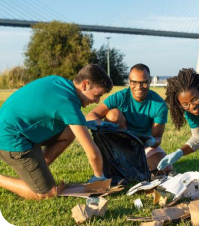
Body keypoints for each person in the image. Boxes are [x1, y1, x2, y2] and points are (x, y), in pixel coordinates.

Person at [0, 64, 113, 200]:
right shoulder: (67, 102)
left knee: (70, 132)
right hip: (11, 138)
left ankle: (37, 172)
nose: (97, 101)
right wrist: (99, 178)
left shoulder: (59, 82)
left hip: (18, 128)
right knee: (47, 194)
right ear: (84, 85)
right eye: (97, 95)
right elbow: (92, 153)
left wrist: (88, 124)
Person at [86, 63, 173, 177]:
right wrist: (106, 125)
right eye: (134, 82)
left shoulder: (159, 105)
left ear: (150, 81)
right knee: (113, 114)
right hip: (119, 144)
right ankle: (117, 158)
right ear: (129, 81)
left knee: (166, 168)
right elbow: (91, 115)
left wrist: (150, 141)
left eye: (143, 82)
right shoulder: (120, 96)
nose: (139, 87)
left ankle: (134, 163)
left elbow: (158, 138)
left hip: (143, 145)